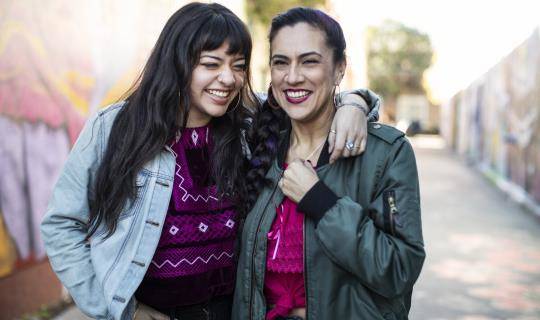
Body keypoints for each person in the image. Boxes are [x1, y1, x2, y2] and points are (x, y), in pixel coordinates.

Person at [40, 3, 379, 320]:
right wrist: (120, 309)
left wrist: (354, 104)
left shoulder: (251, 123)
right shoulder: (115, 128)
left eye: (238, 66)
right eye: (211, 64)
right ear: (178, 63)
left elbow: (312, 101)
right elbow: (61, 225)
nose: (228, 79)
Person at [233, 7, 425, 320]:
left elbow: (399, 269)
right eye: (281, 62)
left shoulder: (386, 153)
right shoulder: (257, 143)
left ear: (339, 69)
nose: (293, 76)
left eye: (309, 61)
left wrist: (320, 201)